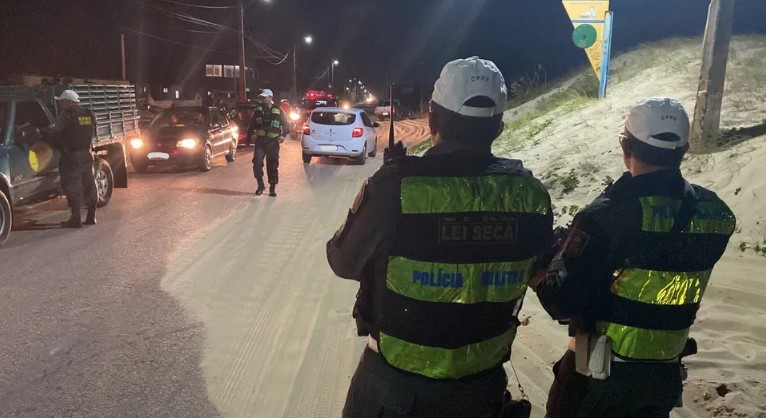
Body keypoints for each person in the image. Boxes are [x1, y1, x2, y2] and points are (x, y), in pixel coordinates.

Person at [326, 57, 554, 418]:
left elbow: (342, 261)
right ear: (498, 128)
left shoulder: (396, 188)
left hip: (395, 389)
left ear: (432, 119)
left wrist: (383, 190)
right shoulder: (531, 196)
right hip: (482, 391)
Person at [531, 98, 736, 418]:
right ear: (683, 150)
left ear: (626, 147)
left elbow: (560, 301)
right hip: (661, 380)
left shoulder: (608, 214)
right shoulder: (716, 214)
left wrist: (543, 264)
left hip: (597, 382)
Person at [48, 90, 98, 228]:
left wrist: (47, 133)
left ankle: (75, 219)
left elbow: (55, 130)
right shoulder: (88, 114)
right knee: (89, 185)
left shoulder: (67, 115)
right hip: (86, 155)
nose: (60, 104)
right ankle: (91, 216)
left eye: (62, 101)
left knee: (72, 187)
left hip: (72, 157)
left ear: (69, 102)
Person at [246, 89, 290, 197]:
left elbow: (286, 125)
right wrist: (248, 139)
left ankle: (272, 188)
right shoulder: (258, 111)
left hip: (273, 142)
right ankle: (260, 185)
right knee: (257, 163)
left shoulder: (278, 110)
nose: (262, 99)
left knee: (272, 165)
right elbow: (251, 125)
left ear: (270, 98)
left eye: (264, 97)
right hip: (260, 142)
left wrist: (283, 135)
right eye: (261, 98)